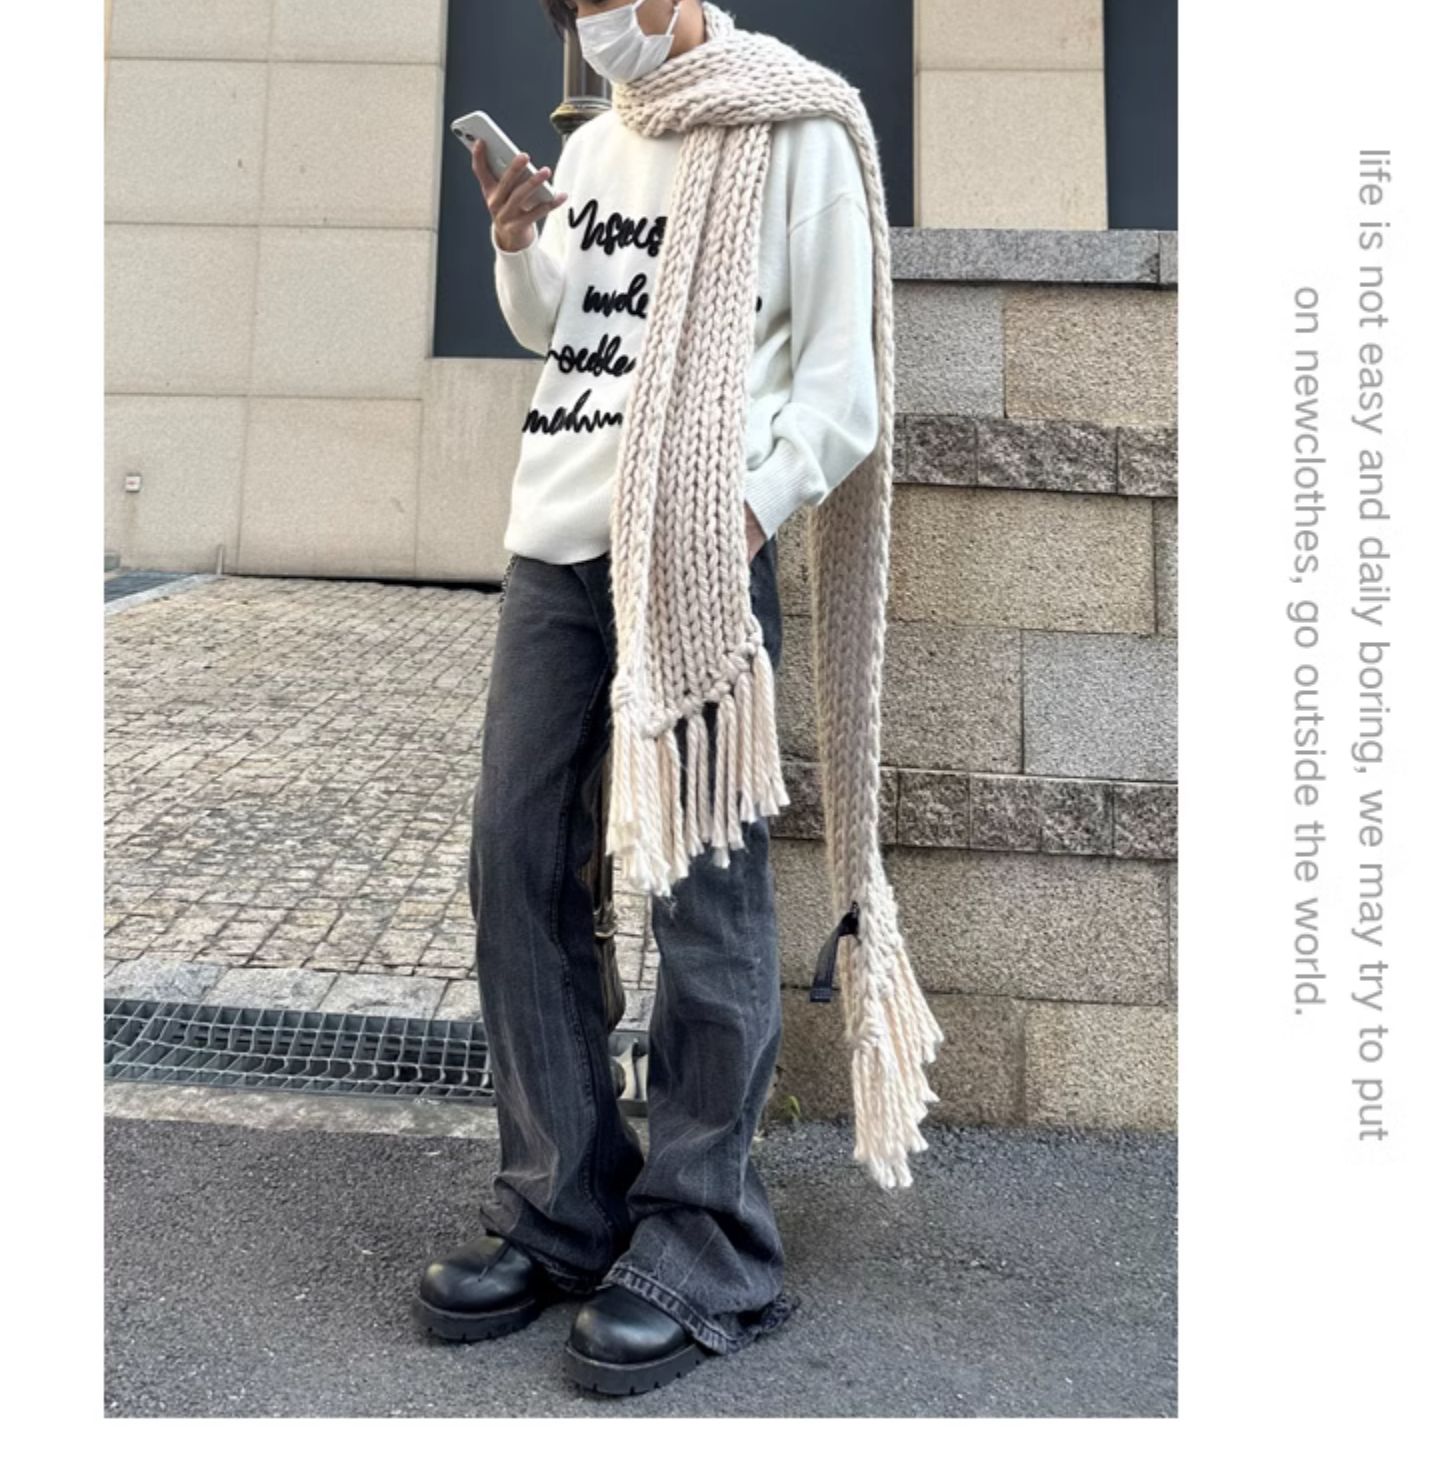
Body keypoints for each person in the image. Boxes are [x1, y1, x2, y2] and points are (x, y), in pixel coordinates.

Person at [415, 0, 889, 1397]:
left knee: (703, 885)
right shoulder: (603, 142)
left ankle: (706, 1240)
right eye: (570, 6)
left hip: (692, 546)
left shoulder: (795, 124)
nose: (592, 22)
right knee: (515, 859)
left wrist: (736, 514)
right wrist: (518, 241)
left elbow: (841, 388)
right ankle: (563, 1205)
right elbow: (563, 327)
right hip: (555, 541)